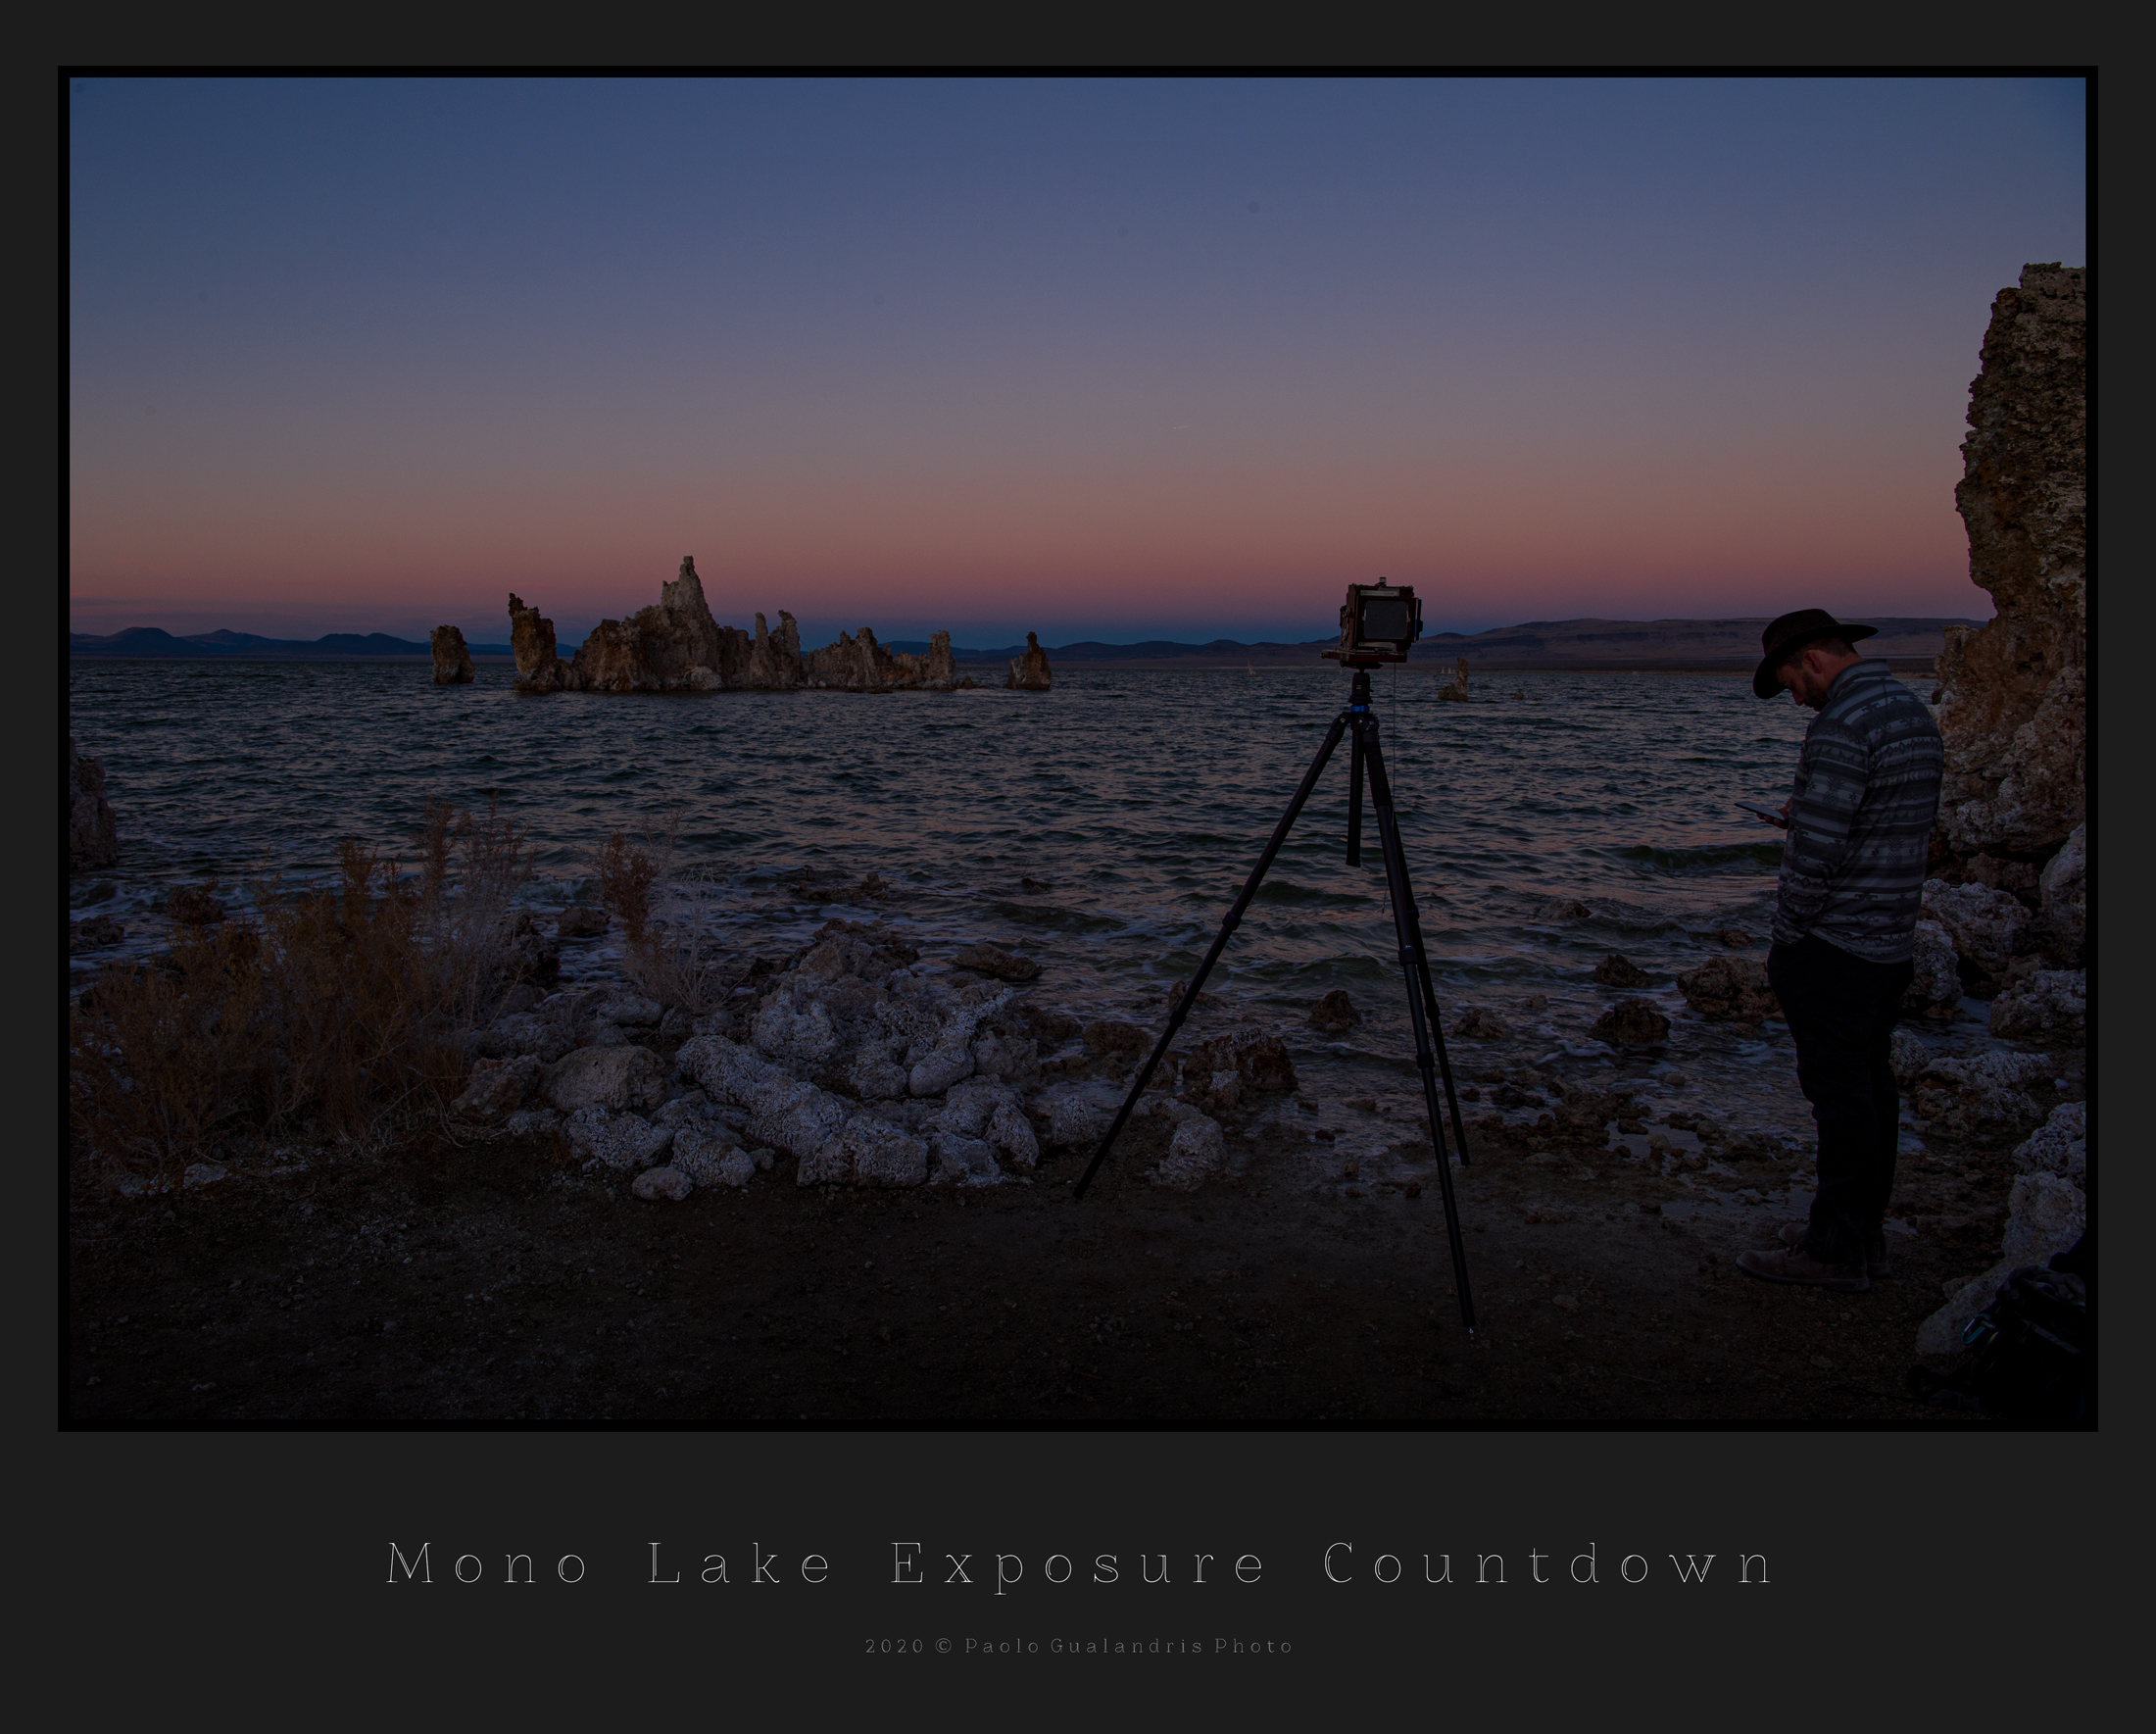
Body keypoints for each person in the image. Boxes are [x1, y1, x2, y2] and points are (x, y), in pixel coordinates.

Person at [1734, 610, 1943, 1295]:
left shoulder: (1841, 725)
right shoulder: (1907, 711)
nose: (1797, 699)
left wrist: (1787, 936)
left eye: (1793, 683)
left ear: (1815, 661)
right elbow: (1885, 819)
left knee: (1840, 1099)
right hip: (1888, 940)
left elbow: (1817, 857)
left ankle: (1834, 1251)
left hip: (1836, 945)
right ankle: (1861, 1231)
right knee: (1871, 1090)